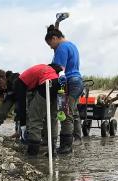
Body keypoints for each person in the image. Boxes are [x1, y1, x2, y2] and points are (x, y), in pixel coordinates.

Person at [45, 25, 84, 154]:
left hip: (69, 82)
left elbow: (59, 69)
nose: (51, 47)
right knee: (72, 112)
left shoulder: (61, 48)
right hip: (77, 82)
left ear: (55, 38)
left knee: (66, 114)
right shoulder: (71, 45)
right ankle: (75, 140)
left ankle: (66, 147)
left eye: (50, 44)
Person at [14, 63, 63, 155]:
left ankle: (32, 153)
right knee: (53, 118)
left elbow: (22, 106)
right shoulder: (46, 68)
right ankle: (52, 151)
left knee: (35, 118)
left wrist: (23, 126)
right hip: (59, 85)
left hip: (47, 84)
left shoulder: (19, 82)